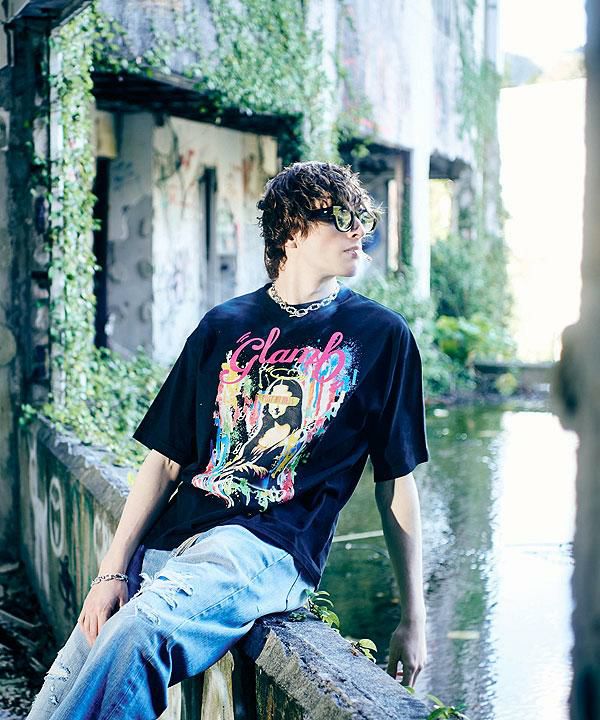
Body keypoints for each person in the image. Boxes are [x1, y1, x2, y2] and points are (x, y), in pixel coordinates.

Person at [26, 160, 430, 719]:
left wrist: (414, 618)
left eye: (365, 216)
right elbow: (165, 462)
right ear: (292, 231)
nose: (360, 229)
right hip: (175, 543)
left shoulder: (384, 336)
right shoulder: (223, 324)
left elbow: (397, 484)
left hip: (266, 548)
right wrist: (112, 572)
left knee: (142, 631)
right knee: (69, 675)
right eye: (341, 216)